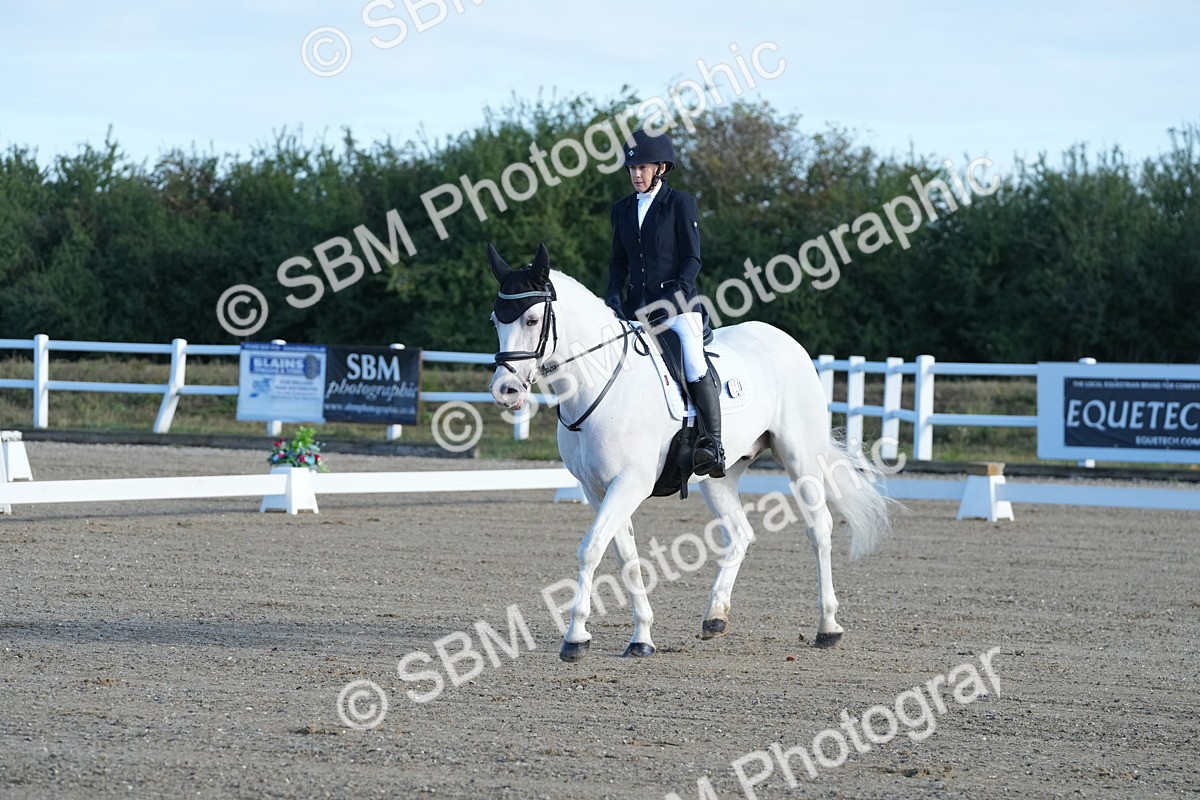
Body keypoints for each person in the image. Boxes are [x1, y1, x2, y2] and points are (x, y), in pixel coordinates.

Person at [606, 129, 725, 478]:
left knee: (692, 360)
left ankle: (713, 444)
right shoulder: (622, 209)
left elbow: (692, 258)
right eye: (631, 169)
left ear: (660, 168)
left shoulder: (680, 203)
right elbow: (618, 261)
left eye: (642, 168)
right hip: (636, 308)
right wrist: (613, 291)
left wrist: (678, 290)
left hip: (678, 305)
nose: (636, 175)